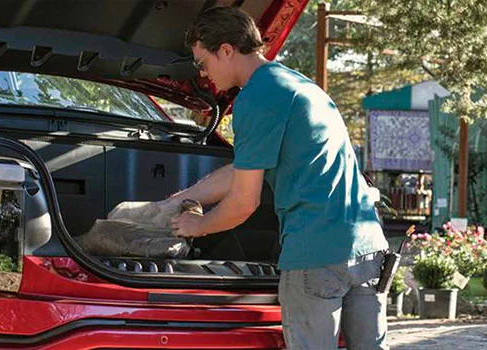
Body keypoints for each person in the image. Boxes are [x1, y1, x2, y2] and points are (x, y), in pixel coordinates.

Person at [164, 6, 390, 350]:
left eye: (201, 62)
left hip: (316, 254)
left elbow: (244, 202)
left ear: (226, 50)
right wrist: (181, 199)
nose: (203, 74)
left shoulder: (256, 99)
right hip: (367, 247)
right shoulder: (294, 84)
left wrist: (200, 226)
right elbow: (242, 169)